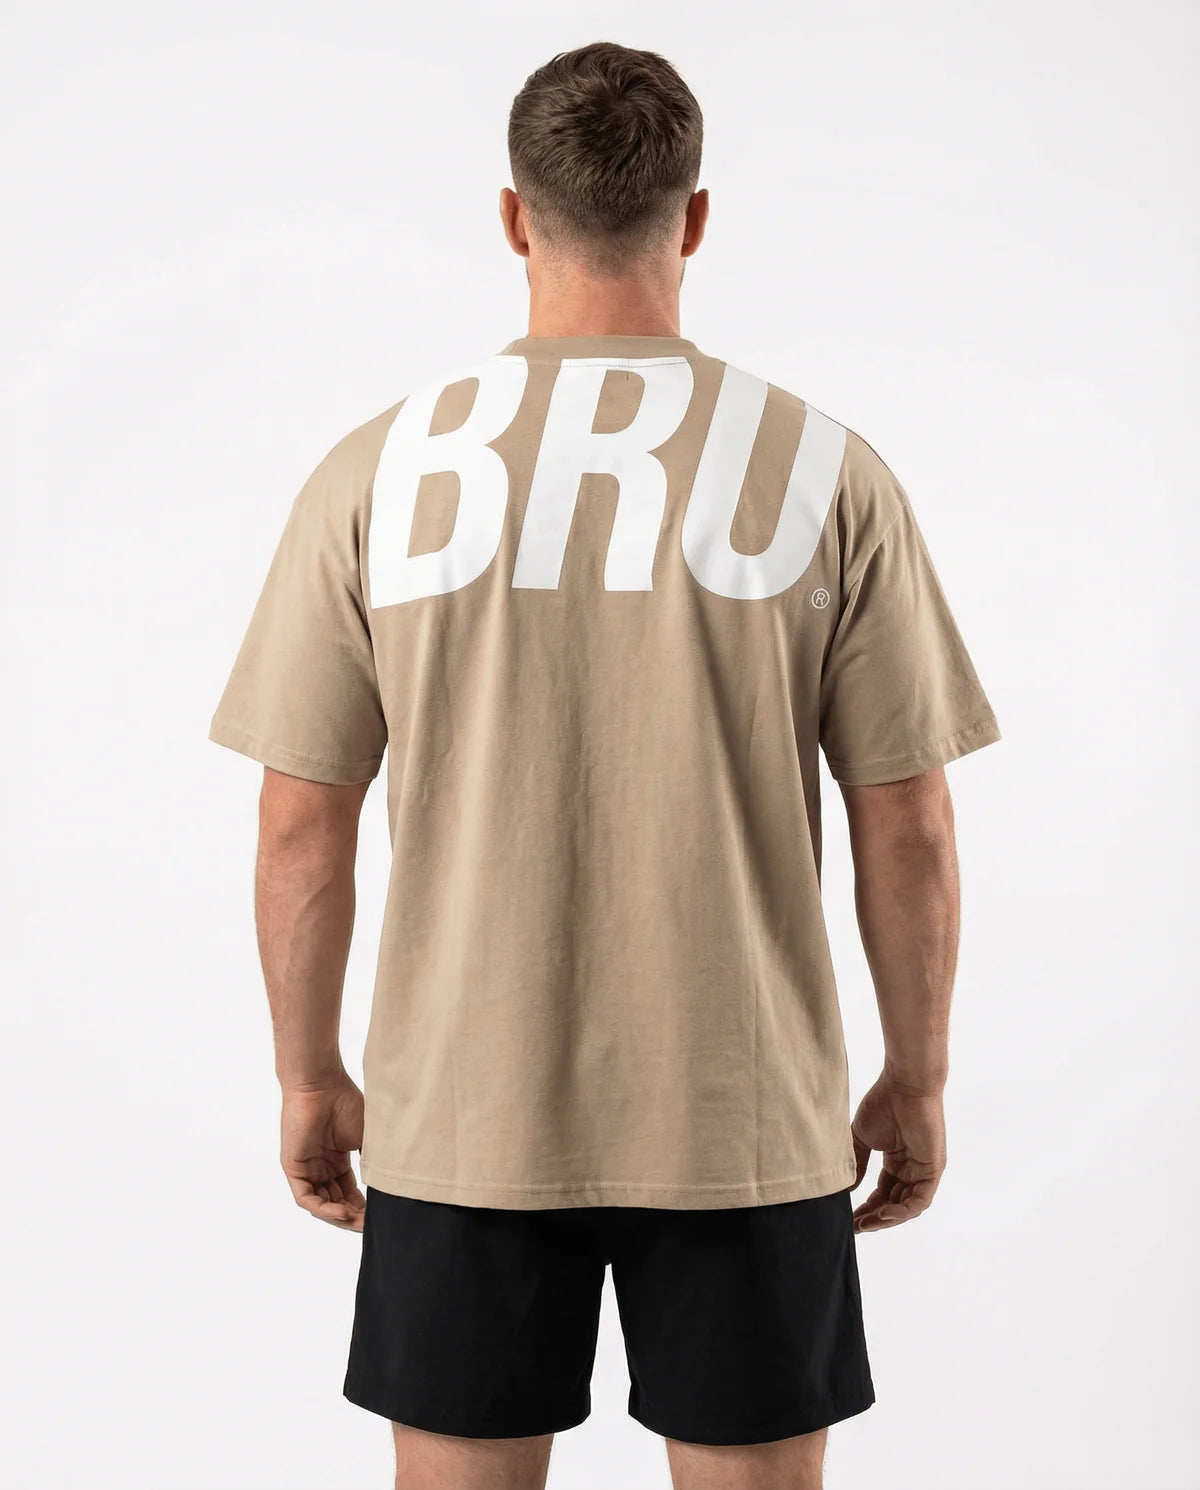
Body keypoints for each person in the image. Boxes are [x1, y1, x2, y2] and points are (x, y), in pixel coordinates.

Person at [209, 39, 1000, 1490]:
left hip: (464, 1120)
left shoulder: (378, 472)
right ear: (694, 218)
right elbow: (909, 823)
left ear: (516, 217)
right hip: (745, 1119)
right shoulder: (825, 470)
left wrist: (309, 1076)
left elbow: (299, 825)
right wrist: (920, 1073)